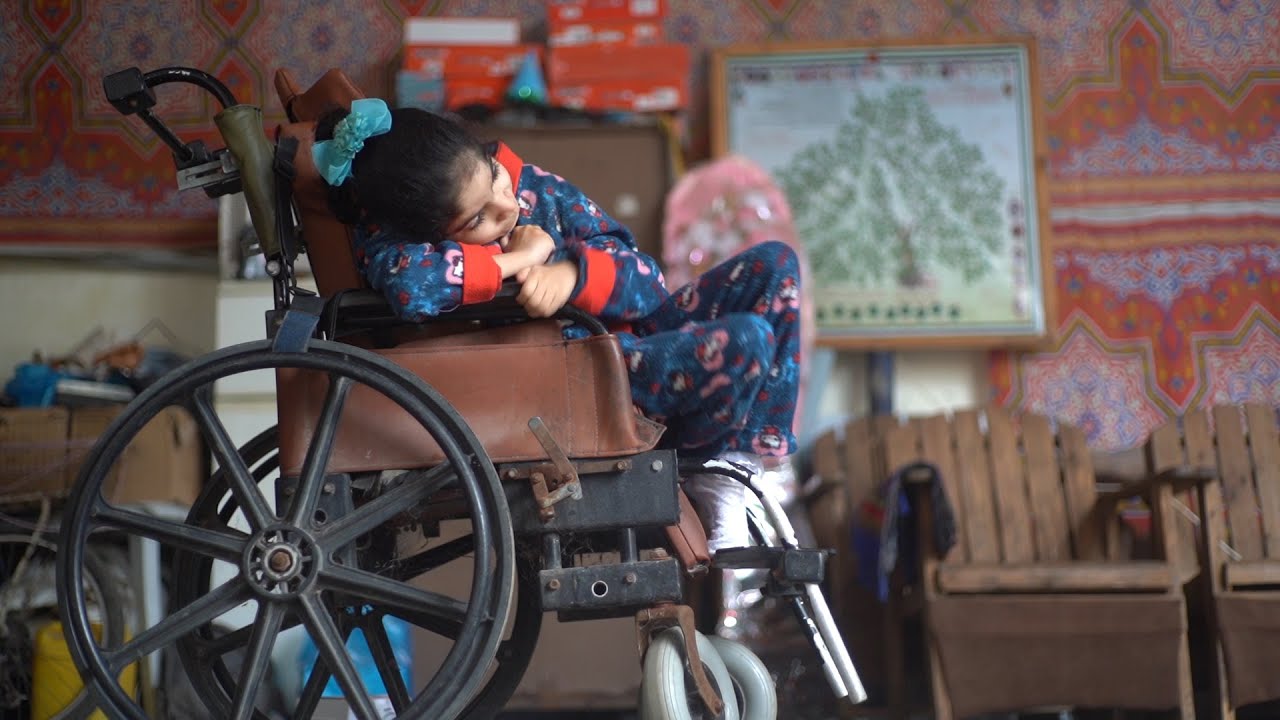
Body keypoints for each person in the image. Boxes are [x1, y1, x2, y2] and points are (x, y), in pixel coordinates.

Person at [314, 98, 803, 552]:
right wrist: (519, 260)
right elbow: (411, 287)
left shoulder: (535, 187)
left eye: (493, 178)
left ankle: (737, 462)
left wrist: (571, 273)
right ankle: (705, 467)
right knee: (748, 341)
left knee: (775, 264)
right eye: (477, 218)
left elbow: (648, 280)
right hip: (594, 380)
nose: (507, 206)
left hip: (642, 336)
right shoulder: (396, 242)